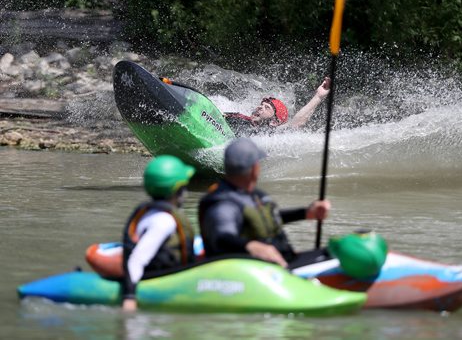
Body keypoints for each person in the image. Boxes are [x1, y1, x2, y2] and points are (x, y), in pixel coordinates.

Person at [198, 138, 331, 268]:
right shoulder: (224, 203)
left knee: (334, 252)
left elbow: (267, 219)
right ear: (255, 167)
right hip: (260, 271)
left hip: (285, 261)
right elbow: (222, 238)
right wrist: (251, 246)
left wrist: (306, 213)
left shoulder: (253, 195)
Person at [122, 155, 196, 312]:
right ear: (178, 189)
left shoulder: (153, 213)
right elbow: (136, 261)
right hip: (160, 279)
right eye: (184, 186)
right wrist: (129, 298)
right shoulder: (163, 221)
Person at [224, 77, 331, 136]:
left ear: (274, 122)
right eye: (262, 105)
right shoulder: (239, 117)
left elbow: (297, 123)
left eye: (267, 108)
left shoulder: (268, 133)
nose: (260, 107)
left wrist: (318, 97)